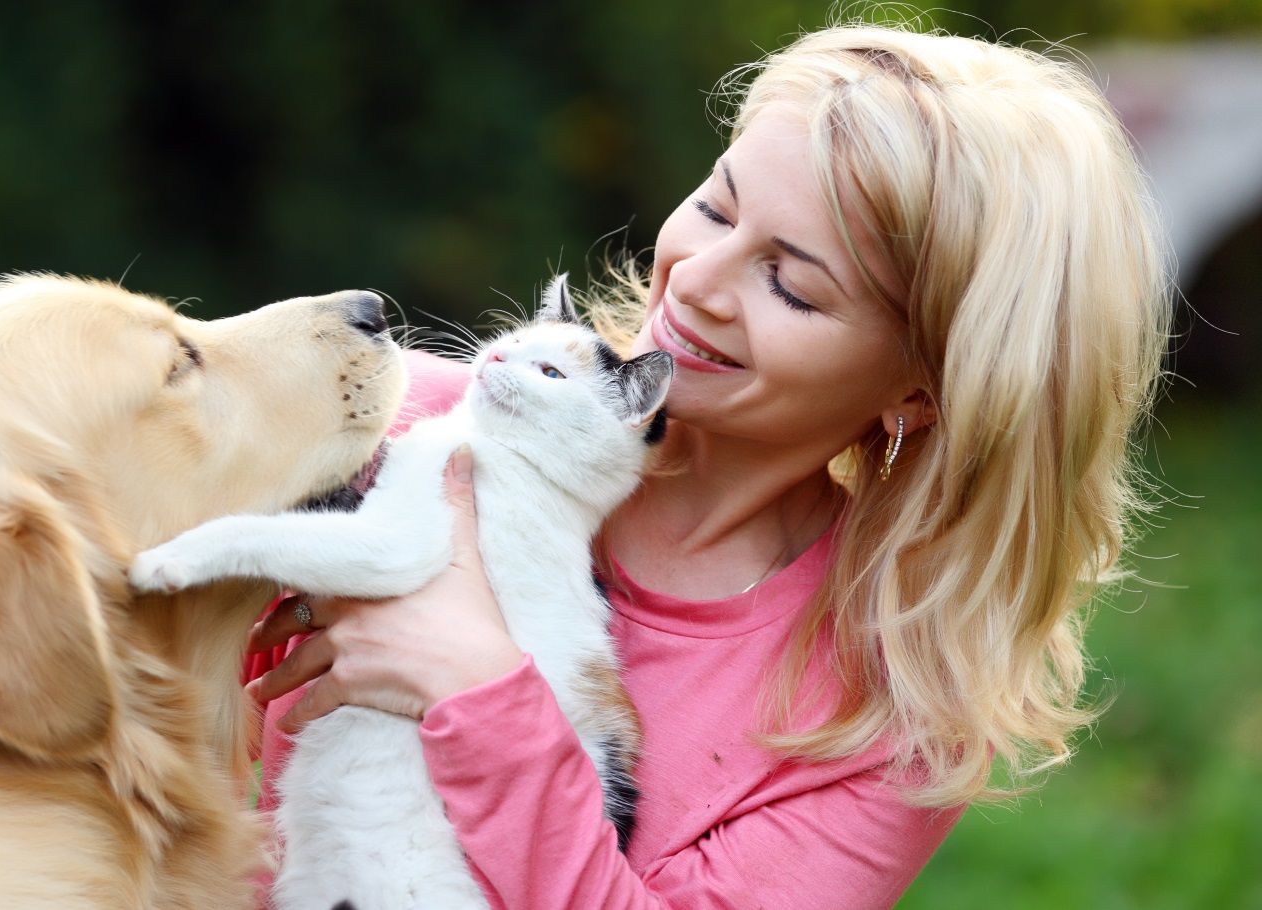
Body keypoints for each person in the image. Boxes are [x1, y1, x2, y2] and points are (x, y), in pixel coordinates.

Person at [241, 22, 1170, 909]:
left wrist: (480, 692)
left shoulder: (881, 724)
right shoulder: (402, 425)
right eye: (717, 205)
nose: (694, 278)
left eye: (791, 285)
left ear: (923, 394)